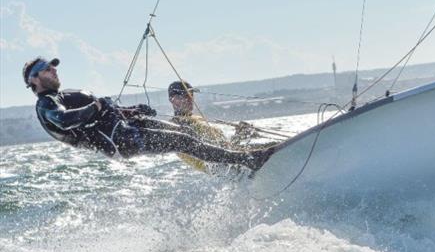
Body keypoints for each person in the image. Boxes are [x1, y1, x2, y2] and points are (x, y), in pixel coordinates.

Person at [23, 57, 272, 171]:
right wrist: (96, 106)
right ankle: (247, 160)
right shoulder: (46, 105)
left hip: (128, 128)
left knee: (184, 132)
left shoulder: (63, 96)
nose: (53, 70)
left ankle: (235, 158)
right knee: (183, 141)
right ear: (34, 79)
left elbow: (99, 116)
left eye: (54, 66)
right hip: (121, 141)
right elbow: (65, 121)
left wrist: (130, 111)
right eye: (46, 68)